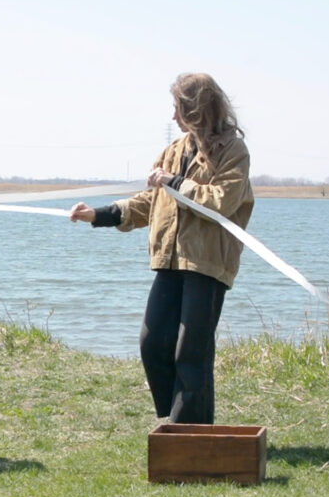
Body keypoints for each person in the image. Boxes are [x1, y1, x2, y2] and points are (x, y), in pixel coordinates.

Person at [69, 73, 253, 425]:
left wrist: (175, 182)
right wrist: (100, 215)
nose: (174, 118)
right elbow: (151, 202)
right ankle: (177, 417)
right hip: (168, 260)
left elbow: (220, 202)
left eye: (178, 109)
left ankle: (190, 430)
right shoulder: (173, 151)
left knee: (191, 352)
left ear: (197, 110)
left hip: (207, 263)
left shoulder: (234, 151)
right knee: (152, 343)